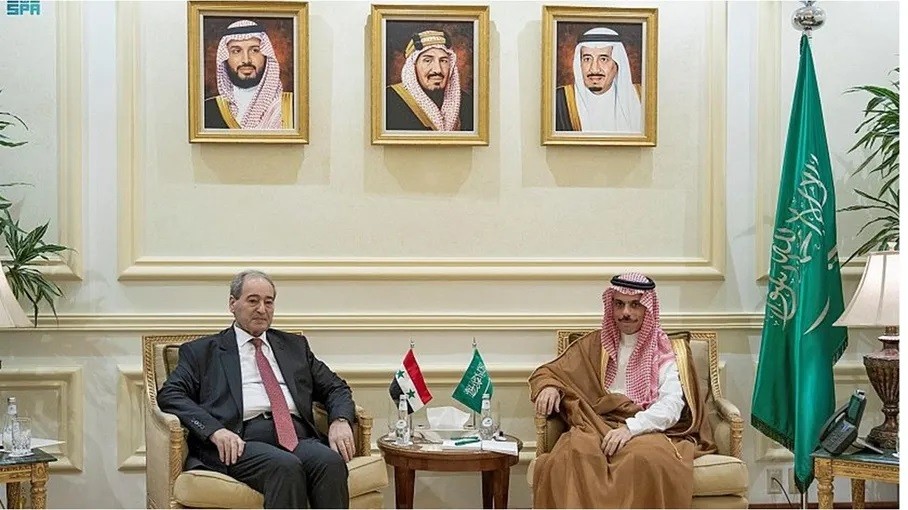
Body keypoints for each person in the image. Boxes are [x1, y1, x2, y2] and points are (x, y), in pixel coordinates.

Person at [158, 270, 354, 509]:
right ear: (233, 303)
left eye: (268, 302)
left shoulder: (294, 346)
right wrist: (214, 431)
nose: (262, 309)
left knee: (330, 462)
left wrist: (340, 420)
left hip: (296, 436)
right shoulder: (203, 352)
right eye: (253, 301)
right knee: (285, 467)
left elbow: (336, 387)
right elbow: (171, 394)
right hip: (240, 441)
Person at [529, 272, 715, 508]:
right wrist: (550, 386)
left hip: (647, 428)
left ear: (647, 308)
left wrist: (631, 429)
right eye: (619, 304)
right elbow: (550, 372)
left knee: (643, 459)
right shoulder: (595, 344)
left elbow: (671, 406)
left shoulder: (665, 350)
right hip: (595, 424)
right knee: (571, 454)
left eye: (634, 305)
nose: (625, 312)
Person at [204, 20, 293, 130]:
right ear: (225, 58)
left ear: (266, 55)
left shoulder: (291, 107)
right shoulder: (208, 110)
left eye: (254, 50)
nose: (246, 60)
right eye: (236, 51)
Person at [554, 27, 642, 133]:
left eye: (603, 59)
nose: (594, 68)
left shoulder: (641, 98)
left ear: (617, 64)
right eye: (587, 59)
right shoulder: (558, 100)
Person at [385, 30, 474, 131]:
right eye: (427, 60)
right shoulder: (389, 100)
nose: (438, 69)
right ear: (413, 67)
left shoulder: (467, 103)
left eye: (443, 61)